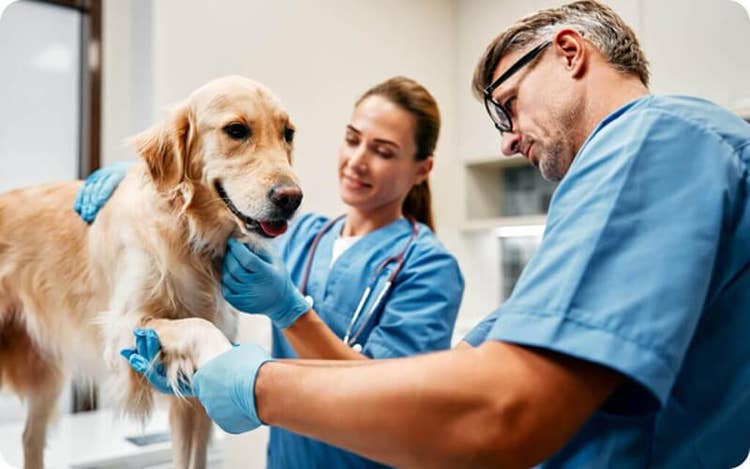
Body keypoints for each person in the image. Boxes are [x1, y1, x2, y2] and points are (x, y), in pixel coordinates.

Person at [119, 1, 750, 466]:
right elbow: (472, 370)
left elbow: (498, 407)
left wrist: (254, 381)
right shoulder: (304, 231)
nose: (505, 137)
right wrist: (124, 186)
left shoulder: (655, 140)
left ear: (568, 51)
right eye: (350, 140)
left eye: (506, 102)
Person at [76, 77, 465, 468]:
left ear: (421, 169)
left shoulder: (429, 267)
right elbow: (196, 214)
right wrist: (144, 174)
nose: (357, 160)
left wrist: (290, 311)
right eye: (352, 139)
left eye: (383, 151)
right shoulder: (299, 236)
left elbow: (394, 404)